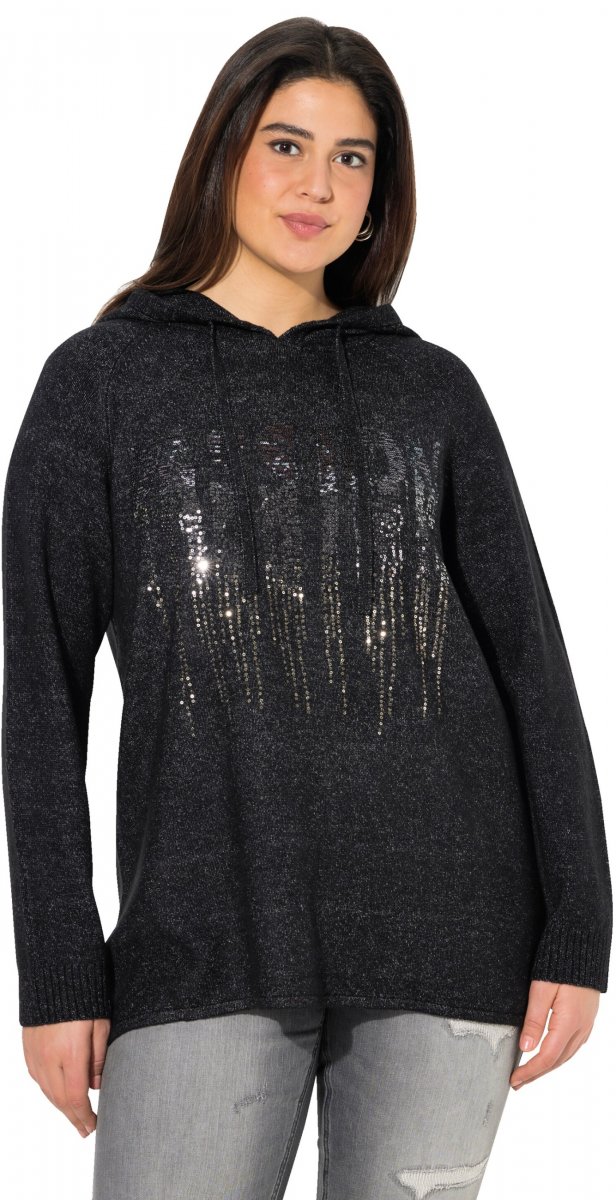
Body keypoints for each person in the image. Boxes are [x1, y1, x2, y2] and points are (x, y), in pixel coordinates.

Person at [1, 16, 612, 1199]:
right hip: (204, 933)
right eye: (286, 144)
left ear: (381, 191)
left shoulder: (431, 391)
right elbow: (39, 696)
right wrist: (59, 971)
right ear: (223, 148)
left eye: (352, 157)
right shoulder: (101, 383)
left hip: (450, 932)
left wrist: (578, 927)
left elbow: (532, 670)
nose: (316, 185)